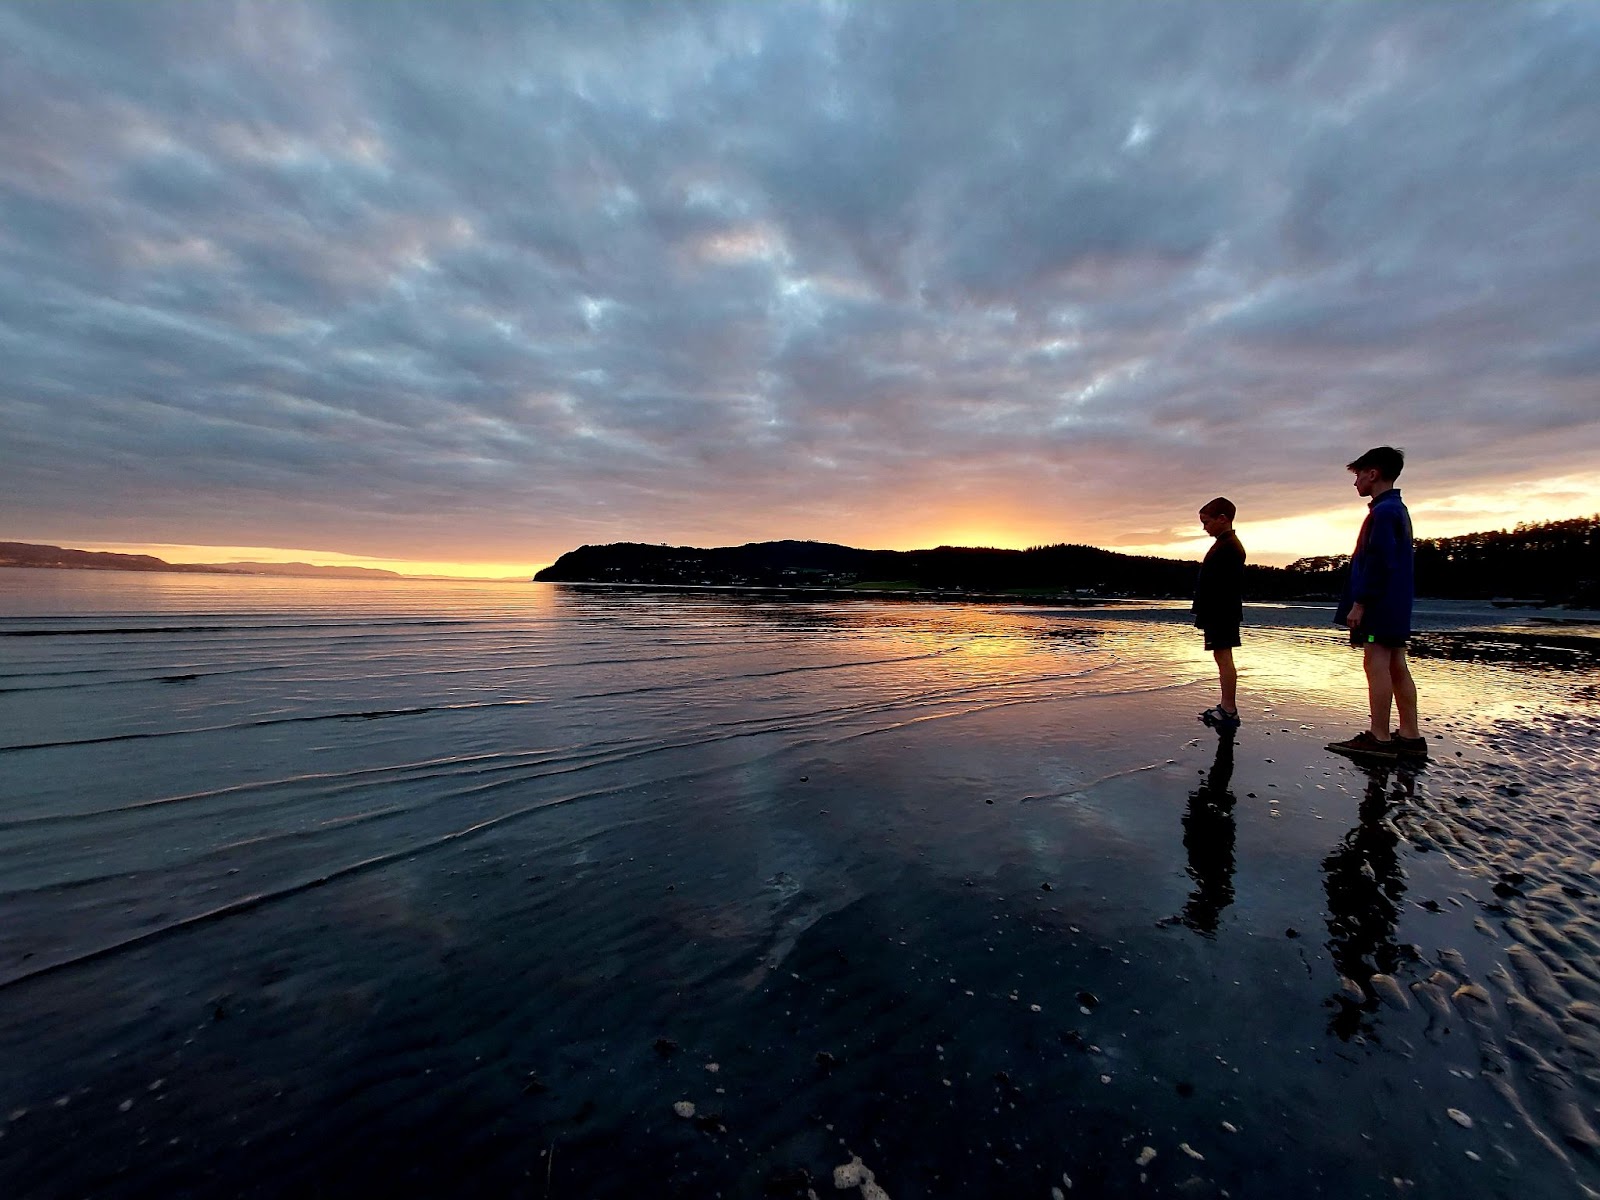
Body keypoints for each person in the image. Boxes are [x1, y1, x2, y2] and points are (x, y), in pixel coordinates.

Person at [1327, 447, 1426, 760]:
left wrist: (1361, 603)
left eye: (1357, 475)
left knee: (1376, 664)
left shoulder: (1383, 513)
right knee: (1396, 664)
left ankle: (1379, 737)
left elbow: (1378, 561)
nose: (1355, 482)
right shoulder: (1397, 509)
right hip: (1395, 605)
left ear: (1373, 473)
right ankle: (1410, 735)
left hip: (1381, 605)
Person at [1193, 496, 1245, 733]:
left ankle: (1228, 709)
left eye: (1206, 522)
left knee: (1224, 658)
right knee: (1221, 657)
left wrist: (1209, 612)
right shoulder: (1226, 543)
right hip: (1220, 612)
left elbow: (1222, 585)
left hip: (1222, 613)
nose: (1205, 527)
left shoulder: (1230, 546)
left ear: (1222, 519)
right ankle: (1227, 707)